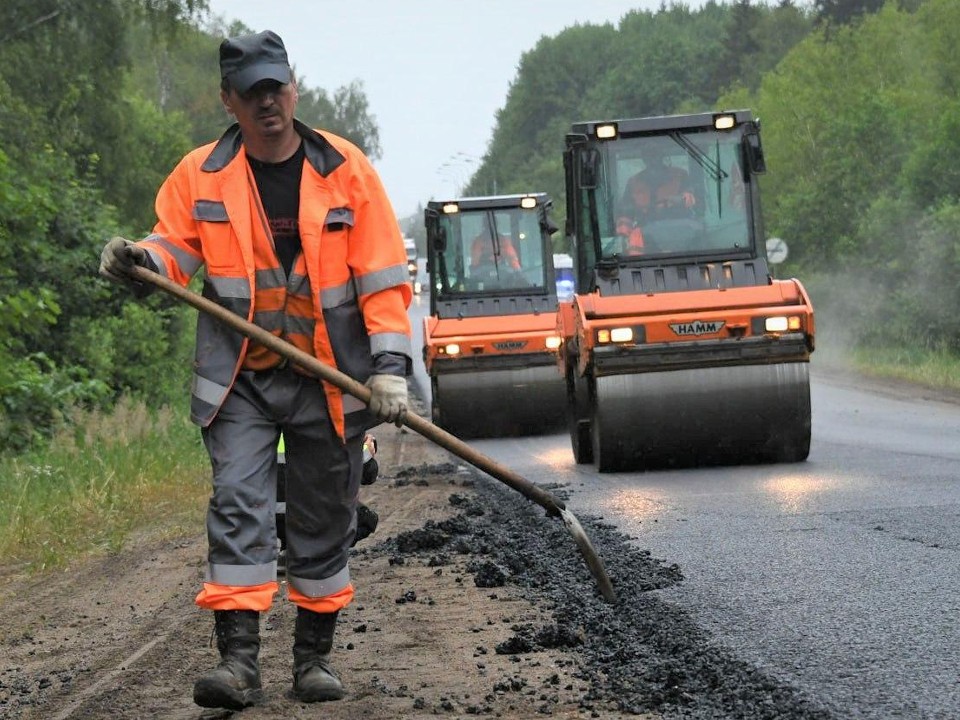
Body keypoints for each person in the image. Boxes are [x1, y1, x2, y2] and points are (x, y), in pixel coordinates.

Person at [98, 30, 412, 710]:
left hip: (331, 379)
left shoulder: (346, 170)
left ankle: (313, 661)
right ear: (229, 101)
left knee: (326, 514)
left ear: (293, 88)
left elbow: (384, 279)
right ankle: (238, 666)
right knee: (239, 505)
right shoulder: (201, 174)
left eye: (277, 88)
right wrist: (141, 262)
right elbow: (172, 248)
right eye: (252, 93)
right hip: (241, 376)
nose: (268, 103)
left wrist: (389, 367)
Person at [615, 144, 697, 253]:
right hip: (646, 235)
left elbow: (691, 198)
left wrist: (677, 200)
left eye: (655, 154)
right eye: (648, 155)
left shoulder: (680, 175)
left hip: (681, 232)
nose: (652, 159)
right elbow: (625, 212)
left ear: (661, 155)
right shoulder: (634, 182)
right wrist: (622, 237)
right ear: (643, 157)